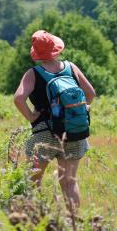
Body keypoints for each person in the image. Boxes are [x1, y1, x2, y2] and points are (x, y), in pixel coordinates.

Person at [13, 30, 96, 211]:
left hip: (45, 133)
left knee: (32, 181)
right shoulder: (71, 67)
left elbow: (19, 98)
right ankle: (74, 224)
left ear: (36, 53)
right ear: (56, 49)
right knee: (69, 183)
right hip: (73, 132)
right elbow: (91, 94)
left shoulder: (33, 73)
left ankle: (35, 222)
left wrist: (32, 116)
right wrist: (80, 109)